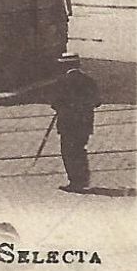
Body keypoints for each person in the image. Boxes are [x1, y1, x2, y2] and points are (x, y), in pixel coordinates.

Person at [50, 53, 100, 193]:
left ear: (65, 65)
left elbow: (55, 103)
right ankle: (83, 179)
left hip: (68, 123)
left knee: (69, 152)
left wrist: (63, 107)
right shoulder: (89, 81)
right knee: (80, 150)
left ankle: (75, 182)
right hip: (84, 123)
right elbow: (97, 102)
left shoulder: (62, 81)